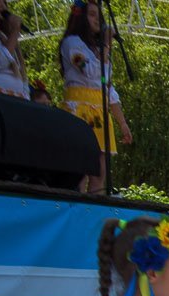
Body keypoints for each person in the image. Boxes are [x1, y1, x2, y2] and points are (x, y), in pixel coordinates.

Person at [59, 0, 133, 194]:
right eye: (92, 14)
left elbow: (108, 87)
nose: (97, 19)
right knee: (80, 171)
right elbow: (90, 72)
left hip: (99, 111)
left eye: (98, 15)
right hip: (80, 108)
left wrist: (122, 122)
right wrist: (107, 45)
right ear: (80, 17)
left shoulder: (97, 50)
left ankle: (95, 215)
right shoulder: (72, 42)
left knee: (99, 173)